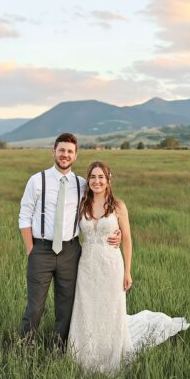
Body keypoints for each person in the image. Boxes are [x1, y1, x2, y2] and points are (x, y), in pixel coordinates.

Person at [67, 161, 190, 374]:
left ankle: (110, 352)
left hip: (111, 265)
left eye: (101, 177)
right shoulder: (82, 205)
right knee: (87, 308)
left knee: (110, 307)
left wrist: (127, 271)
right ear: (88, 180)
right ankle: (85, 354)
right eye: (93, 177)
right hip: (86, 265)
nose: (97, 181)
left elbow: (128, 240)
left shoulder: (118, 206)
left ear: (108, 180)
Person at [18, 134, 120, 347]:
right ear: (53, 151)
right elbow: (24, 216)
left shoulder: (82, 184)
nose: (65, 155)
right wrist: (31, 250)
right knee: (35, 306)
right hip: (42, 249)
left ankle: (59, 348)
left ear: (75, 155)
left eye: (70, 152)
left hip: (71, 251)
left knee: (66, 307)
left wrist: (115, 230)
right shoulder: (37, 180)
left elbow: (100, 207)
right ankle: (24, 348)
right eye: (61, 150)